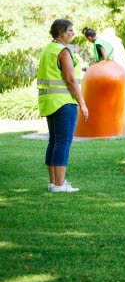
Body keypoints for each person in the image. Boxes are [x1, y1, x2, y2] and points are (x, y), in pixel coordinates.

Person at [37, 19, 89, 193]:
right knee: (63, 142)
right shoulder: (63, 51)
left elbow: (59, 72)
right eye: (70, 30)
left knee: (54, 141)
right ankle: (60, 185)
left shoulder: (48, 50)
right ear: (61, 32)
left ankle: (53, 183)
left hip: (49, 101)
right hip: (64, 102)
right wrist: (82, 103)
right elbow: (70, 80)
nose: (73, 33)